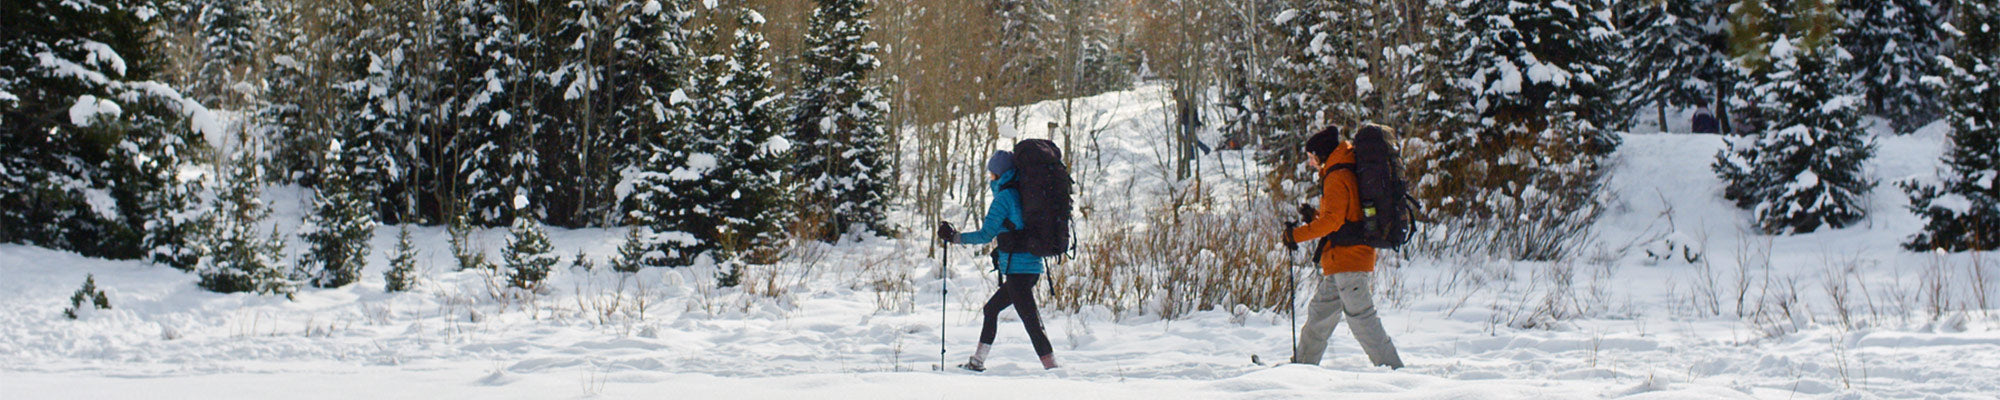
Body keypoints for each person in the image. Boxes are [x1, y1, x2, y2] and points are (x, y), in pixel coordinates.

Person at [1281, 125, 1405, 369]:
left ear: (1322, 154)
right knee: (1320, 314)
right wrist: (1313, 217)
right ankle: (1301, 367)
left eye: (1311, 157)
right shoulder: (1339, 170)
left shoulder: (1337, 175)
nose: (1310, 162)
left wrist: (1296, 235)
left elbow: (1333, 222)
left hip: (1349, 259)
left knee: (1361, 318)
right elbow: (1344, 216)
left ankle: (1394, 369)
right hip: (1340, 261)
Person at [937, 150, 1057, 371]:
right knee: (991, 310)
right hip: (1030, 267)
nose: (991, 177)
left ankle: (1054, 370)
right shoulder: (1022, 192)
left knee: (1031, 322)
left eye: (992, 173)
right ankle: (977, 361)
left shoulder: (1004, 198)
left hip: (1018, 269)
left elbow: (985, 235)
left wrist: (955, 237)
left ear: (999, 173)